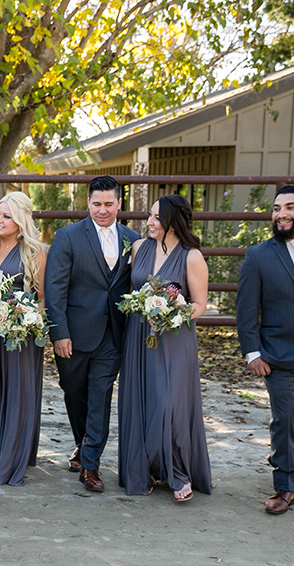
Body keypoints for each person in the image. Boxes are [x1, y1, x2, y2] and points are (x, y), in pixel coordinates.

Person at [237, 185, 294, 515]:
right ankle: (285, 483)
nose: (281, 214)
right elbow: (247, 309)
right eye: (276, 208)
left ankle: (281, 454)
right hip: (278, 353)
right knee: (285, 418)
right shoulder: (258, 255)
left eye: (290, 207)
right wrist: (253, 353)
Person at [45, 175, 140, 492]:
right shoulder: (68, 236)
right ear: (88, 203)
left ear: (119, 204)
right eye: (96, 204)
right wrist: (59, 332)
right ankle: (83, 443)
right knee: (74, 395)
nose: (102, 210)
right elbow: (55, 288)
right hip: (74, 332)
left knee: (100, 397)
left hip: (113, 334)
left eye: (109, 204)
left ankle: (90, 466)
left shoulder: (133, 238)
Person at [118, 195, 212, 501]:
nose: (149, 222)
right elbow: (131, 289)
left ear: (173, 221)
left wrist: (174, 313)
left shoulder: (191, 257)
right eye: (150, 216)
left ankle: (178, 472)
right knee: (139, 402)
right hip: (138, 337)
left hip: (174, 340)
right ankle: (141, 471)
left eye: (156, 218)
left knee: (168, 404)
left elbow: (199, 305)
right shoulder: (138, 248)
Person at [0, 192, 47, 486]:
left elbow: (43, 300)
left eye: (7, 216)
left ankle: (12, 459)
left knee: (17, 392)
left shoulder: (35, 252)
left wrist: (23, 316)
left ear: (21, 220)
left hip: (19, 335)